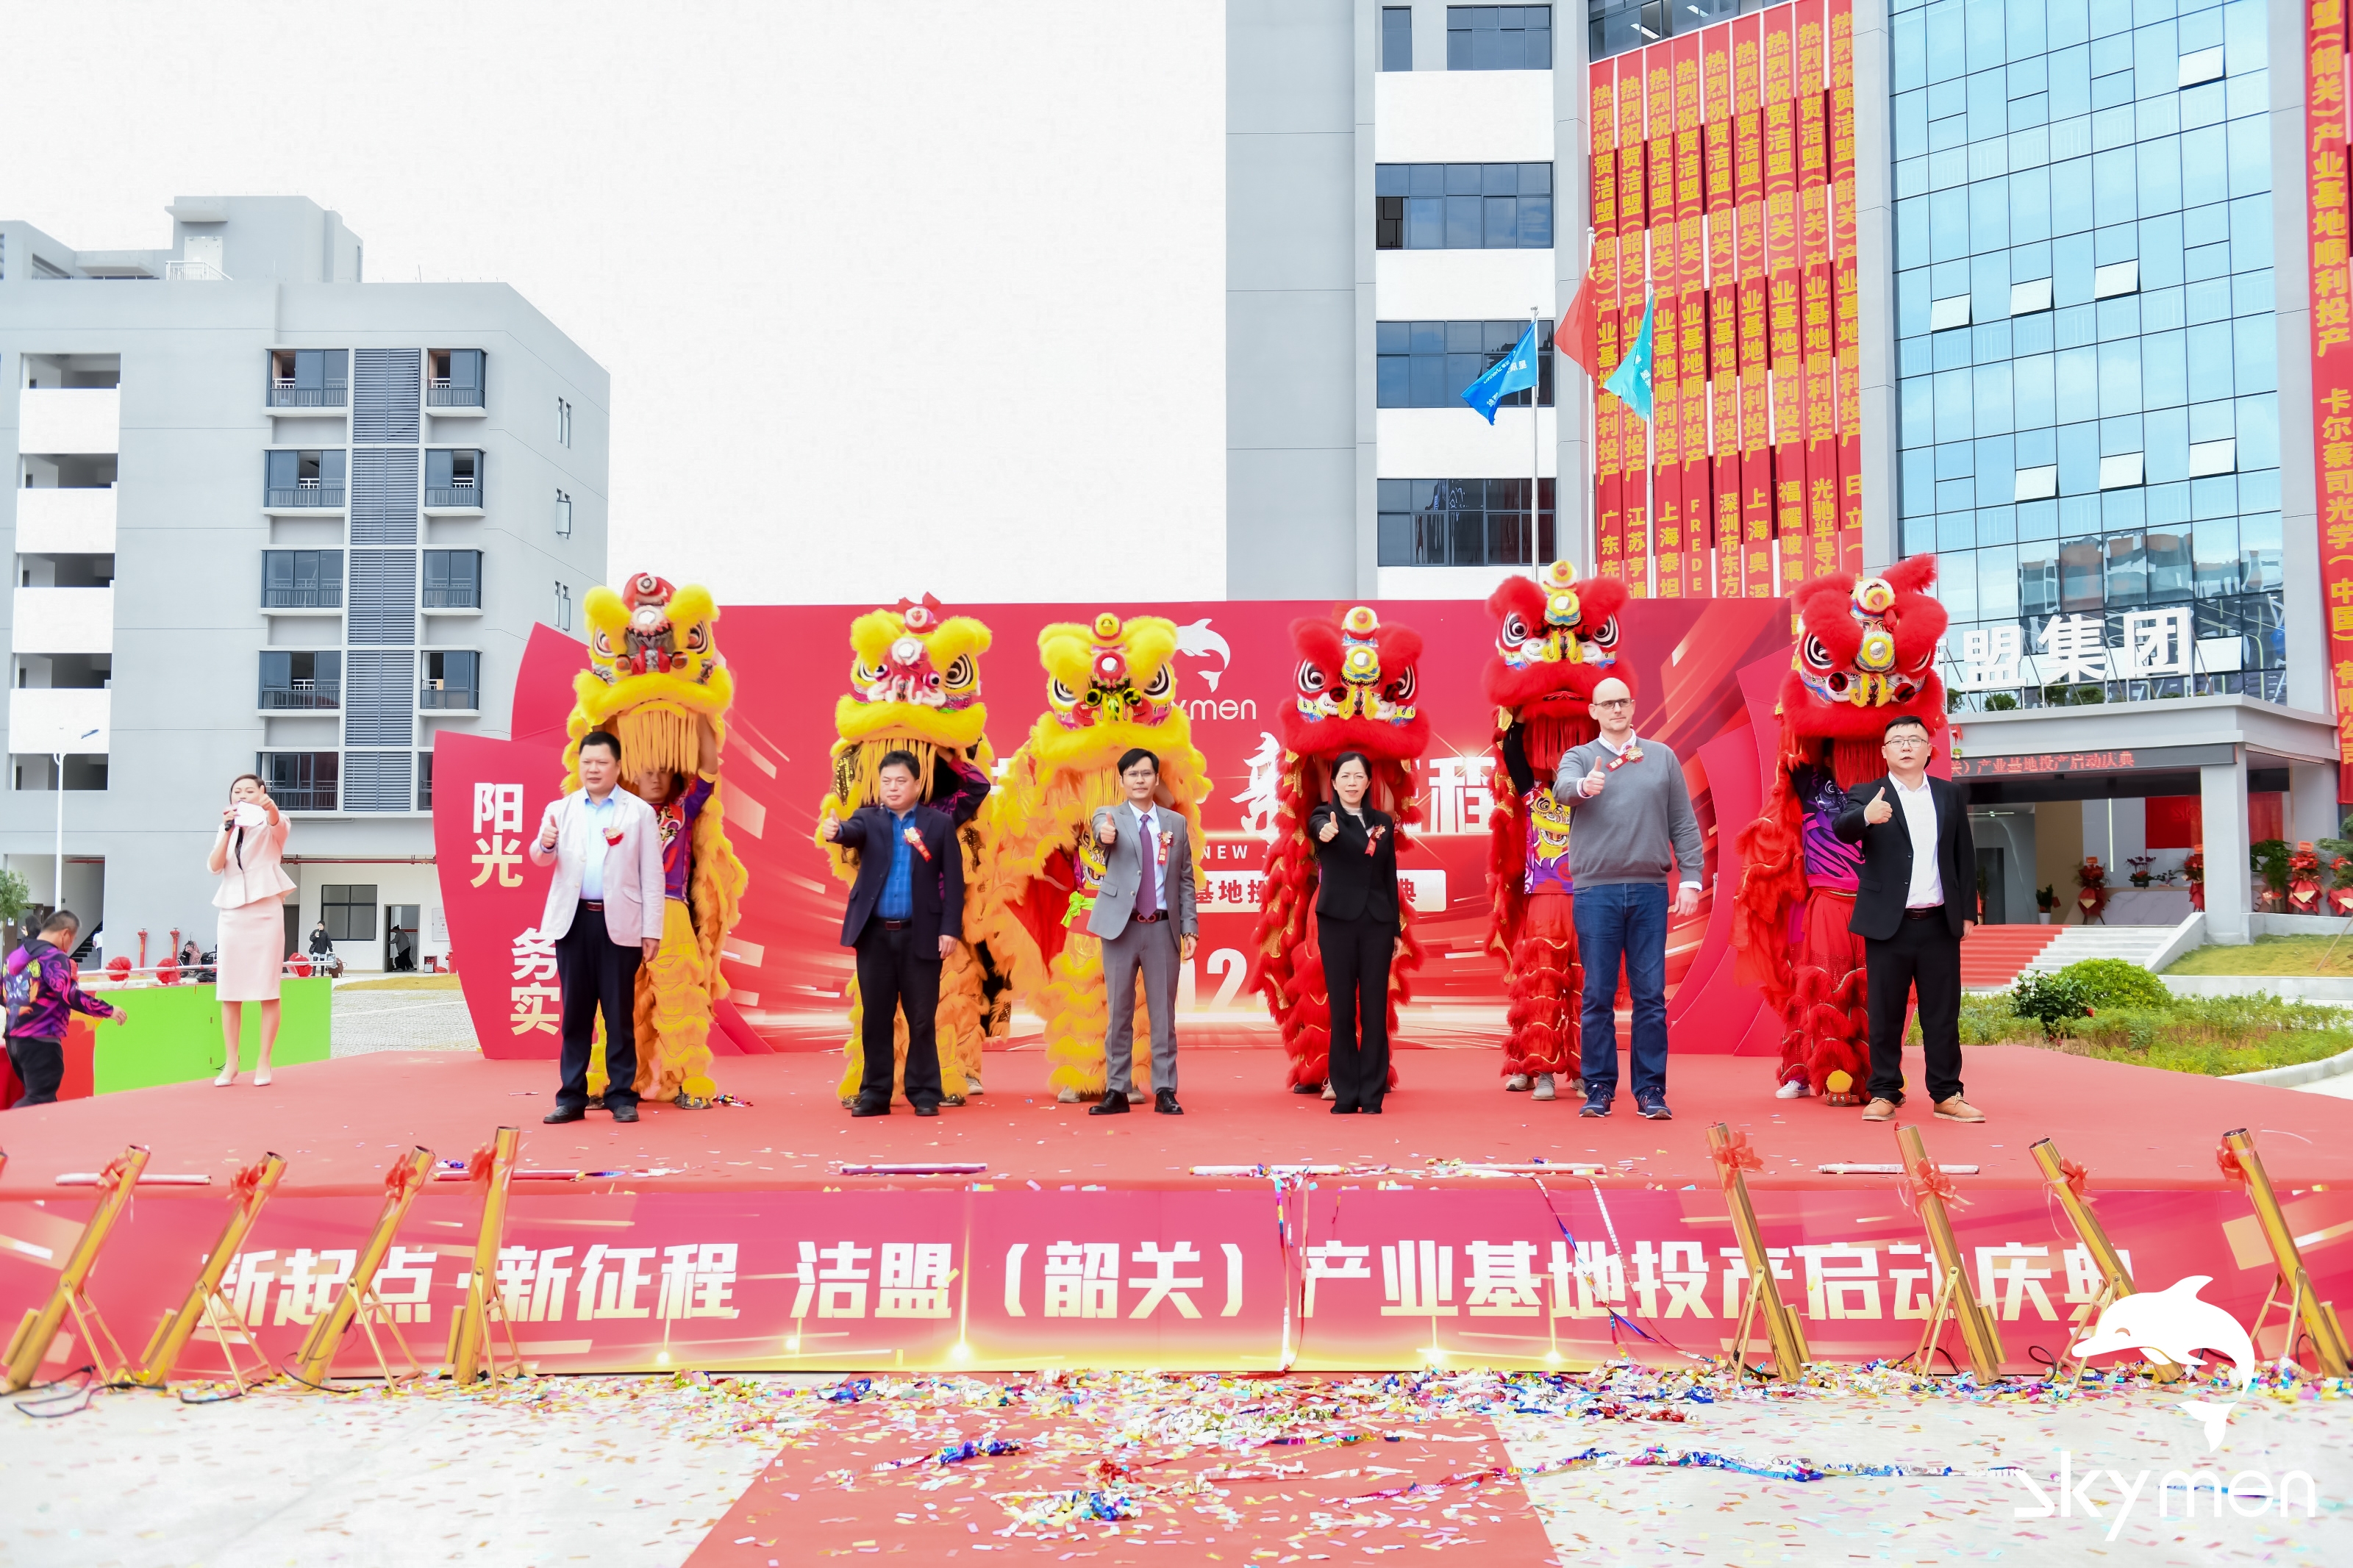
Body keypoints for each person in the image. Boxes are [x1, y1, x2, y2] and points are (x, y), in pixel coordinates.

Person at [1554, 676, 1704, 1120]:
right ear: (1594, 712)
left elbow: (1683, 821)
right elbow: (1562, 790)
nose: (1616, 709)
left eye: (1622, 702)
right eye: (1607, 704)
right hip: (1596, 891)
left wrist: (1692, 878)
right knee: (1598, 994)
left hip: (1649, 890)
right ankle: (1599, 1087)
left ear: (1633, 706)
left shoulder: (1662, 757)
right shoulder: (1580, 757)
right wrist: (1585, 787)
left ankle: (1651, 1090)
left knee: (1650, 996)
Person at [1832, 714, 1983, 1123]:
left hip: (1939, 921)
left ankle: (1947, 1094)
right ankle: (1884, 1091)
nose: (1905, 745)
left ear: (1928, 750)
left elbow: (1963, 856)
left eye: (1914, 739)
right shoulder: (1868, 793)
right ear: (1884, 751)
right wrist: (1867, 816)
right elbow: (1841, 829)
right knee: (1885, 1012)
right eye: (1896, 740)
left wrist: (1968, 912)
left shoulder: (1948, 795)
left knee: (1942, 1013)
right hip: (1889, 923)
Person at [528, 729, 664, 1125]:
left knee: (619, 1014)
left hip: (619, 923)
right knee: (575, 1015)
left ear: (617, 767)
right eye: (586, 762)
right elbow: (538, 857)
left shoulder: (639, 812)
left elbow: (652, 876)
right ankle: (571, 1097)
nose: (593, 769)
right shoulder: (561, 809)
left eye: (601, 762)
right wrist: (546, 843)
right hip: (572, 924)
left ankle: (622, 1095)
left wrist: (651, 930)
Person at [821, 748, 965, 1117]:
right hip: (875, 937)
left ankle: (925, 1093)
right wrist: (836, 831)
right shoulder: (868, 819)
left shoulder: (938, 824)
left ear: (917, 784)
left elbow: (955, 879)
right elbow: (850, 833)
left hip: (923, 934)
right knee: (876, 1017)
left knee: (921, 1018)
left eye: (901, 781)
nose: (893, 787)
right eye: (886, 781)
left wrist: (950, 929)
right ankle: (874, 1093)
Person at [1086, 748, 1199, 1117]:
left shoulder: (1175, 824)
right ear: (1122, 781)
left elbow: (1184, 880)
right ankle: (1117, 1089)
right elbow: (1101, 829)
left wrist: (1190, 928)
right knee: (1119, 1013)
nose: (1139, 780)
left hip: (1162, 929)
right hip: (1121, 929)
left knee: (1163, 1015)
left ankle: (1165, 1088)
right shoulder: (1110, 816)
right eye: (1132, 774)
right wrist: (1104, 832)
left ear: (1156, 779)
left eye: (1146, 774)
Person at [629, 717, 724, 1106]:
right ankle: (618, 1082)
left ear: (673, 779)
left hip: (671, 910)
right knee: (621, 1000)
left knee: (679, 998)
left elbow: (709, 770)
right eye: (647, 772)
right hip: (625, 912)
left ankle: (686, 1082)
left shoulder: (682, 811)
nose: (654, 780)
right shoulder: (620, 812)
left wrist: (702, 715)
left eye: (662, 773)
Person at [1308, 751, 1399, 1115]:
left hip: (1377, 923)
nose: (1351, 783)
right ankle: (1345, 1092)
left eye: (1358, 777)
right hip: (1337, 923)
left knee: (1375, 1009)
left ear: (1368, 782)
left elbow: (1389, 876)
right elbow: (1318, 827)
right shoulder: (1324, 815)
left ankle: (1372, 1093)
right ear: (1334, 782)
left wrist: (1394, 929)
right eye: (1344, 776)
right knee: (1342, 1007)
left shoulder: (1382, 822)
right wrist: (1324, 829)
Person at [207, 773, 294, 1086]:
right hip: (231, 912)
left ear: (261, 792)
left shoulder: (275, 823)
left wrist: (267, 806)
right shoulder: (226, 827)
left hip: (265, 910)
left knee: (267, 989)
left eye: (249, 790)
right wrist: (228, 833)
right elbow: (215, 866)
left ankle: (264, 1060)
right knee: (229, 990)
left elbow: (276, 822)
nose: (242, 795)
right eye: (236, 792)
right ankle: (231, 1063)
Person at [4, 909, 125, 1108]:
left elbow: (4, 996)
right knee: (39, 1098)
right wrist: (107, 1010)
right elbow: (68, 993)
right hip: (41, 1039)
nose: (69, 946)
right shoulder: (53, 956)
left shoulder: (14, 957)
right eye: (73, 939)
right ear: (65, 934)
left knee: (45, 1102)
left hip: (14, 1040)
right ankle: (7, 1132)